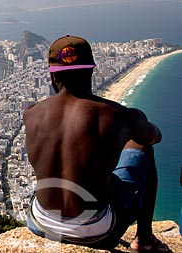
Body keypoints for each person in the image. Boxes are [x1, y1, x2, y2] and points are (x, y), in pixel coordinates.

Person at [24, 35, 171, 252]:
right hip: (96, 232)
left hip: (40, 222)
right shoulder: (118, 116)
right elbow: (154, 137)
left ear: (53, 76)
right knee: (142, 149)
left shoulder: (31, 114)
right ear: (91, 71)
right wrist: (126, 130)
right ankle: (144, 240)